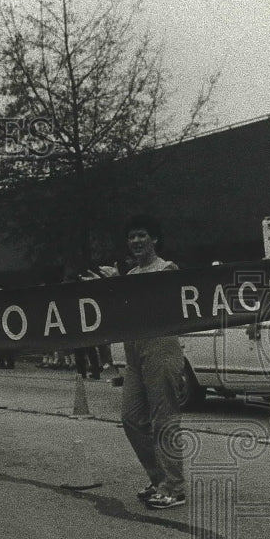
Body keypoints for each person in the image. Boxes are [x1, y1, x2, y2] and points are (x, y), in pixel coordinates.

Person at [96, 216, 187, 509]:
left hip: (161, 347)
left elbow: (154, 300)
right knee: (132, 418)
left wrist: (119, 281)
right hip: (134, 350)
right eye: (131, 236)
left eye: (141, 235)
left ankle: (174, 487)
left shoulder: (167, 268)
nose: (135, 241)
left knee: (164, 420)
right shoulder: (132, 273)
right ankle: (159, 478)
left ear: (154, 239)